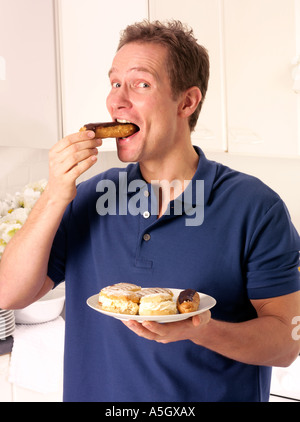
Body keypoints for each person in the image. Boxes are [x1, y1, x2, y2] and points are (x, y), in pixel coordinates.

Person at [0, 20, 299, 402]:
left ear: (187, 102)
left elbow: (286, 343)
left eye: (141, 84)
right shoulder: (88, 197)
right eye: (114, 83)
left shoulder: (254, 207)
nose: (116, 101)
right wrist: (56, 193)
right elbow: (8, 293)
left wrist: (199, 330)